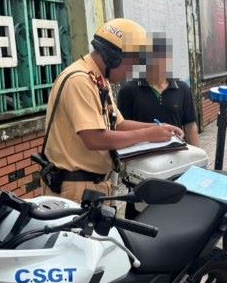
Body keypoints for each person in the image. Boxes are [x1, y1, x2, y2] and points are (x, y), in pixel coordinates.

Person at [41, 18, 183, 203]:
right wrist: (149, 134)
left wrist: (159, 128)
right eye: (131, 64)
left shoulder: (97, 79)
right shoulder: (79, 81)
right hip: (76, 188)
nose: (130, 72)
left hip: (94, 185)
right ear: (114, 57)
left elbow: (119, 124)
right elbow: (94, 139)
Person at [118, 36, 200, 147]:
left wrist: (197, 157)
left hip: (176, 154)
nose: (157, 61)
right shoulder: (128, 90)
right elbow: (121, 128)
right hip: (143, 157)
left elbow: (190, 125)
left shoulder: (182, 89)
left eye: (162, 57)